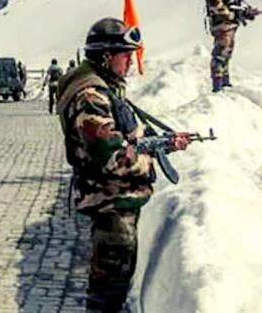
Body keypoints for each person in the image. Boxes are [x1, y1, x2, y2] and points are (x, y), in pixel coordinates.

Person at [56, 18, 192, 312]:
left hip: (115, 200)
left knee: (114, 283)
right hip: (109, 202)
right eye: (125, 55)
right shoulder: (91, 96)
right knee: (108, 290)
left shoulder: (104, 88)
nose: (130, 61)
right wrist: (148, 161)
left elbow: (125, 136)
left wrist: (163, 143)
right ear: (106, 56)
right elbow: (111, 156)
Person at [202, 0, 260, 93]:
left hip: (228, 26)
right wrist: (235, 15)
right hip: (221, 25)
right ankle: (217, 85)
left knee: (226, 54)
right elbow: (216, 7)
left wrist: (246, 13)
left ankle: (224, 82)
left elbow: (234, 6)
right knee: (220, 54)